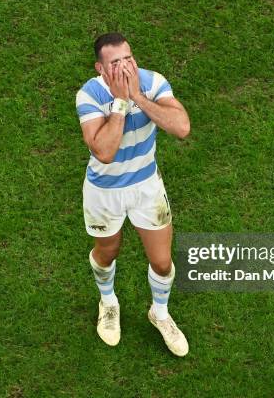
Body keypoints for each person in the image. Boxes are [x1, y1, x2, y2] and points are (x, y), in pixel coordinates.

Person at [75, 32, 190, 356]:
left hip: (145, 188)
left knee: (162, 261)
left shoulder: (152, 83)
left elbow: (181, 127)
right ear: (100, 67)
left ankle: (160, 313)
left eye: (128, 58)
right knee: (106, 253)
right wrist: (121, 103)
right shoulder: (89, 95)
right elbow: (105, 151)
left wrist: (138, 96)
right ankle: (108, 302)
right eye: (115, 63)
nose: (125, 67)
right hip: (104, 193)